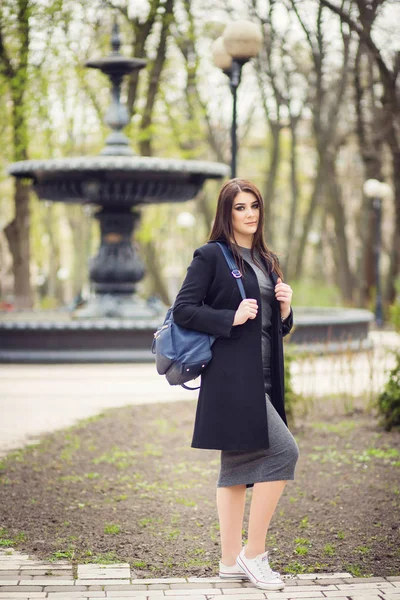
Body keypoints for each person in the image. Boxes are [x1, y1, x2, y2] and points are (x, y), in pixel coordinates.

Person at [173, 178, 300, 591]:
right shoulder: (211, 256)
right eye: (240, 207)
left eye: (254, 206)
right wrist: (229, 317)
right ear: (226, 213)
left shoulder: (267, 259)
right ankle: (253, 553)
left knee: (236, 469)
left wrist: (285, 309)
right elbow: (184, 310)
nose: (249, 214)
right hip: (231, 379)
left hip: (264, 376)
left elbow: (273, 328)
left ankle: (229, 562)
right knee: (284, 452)